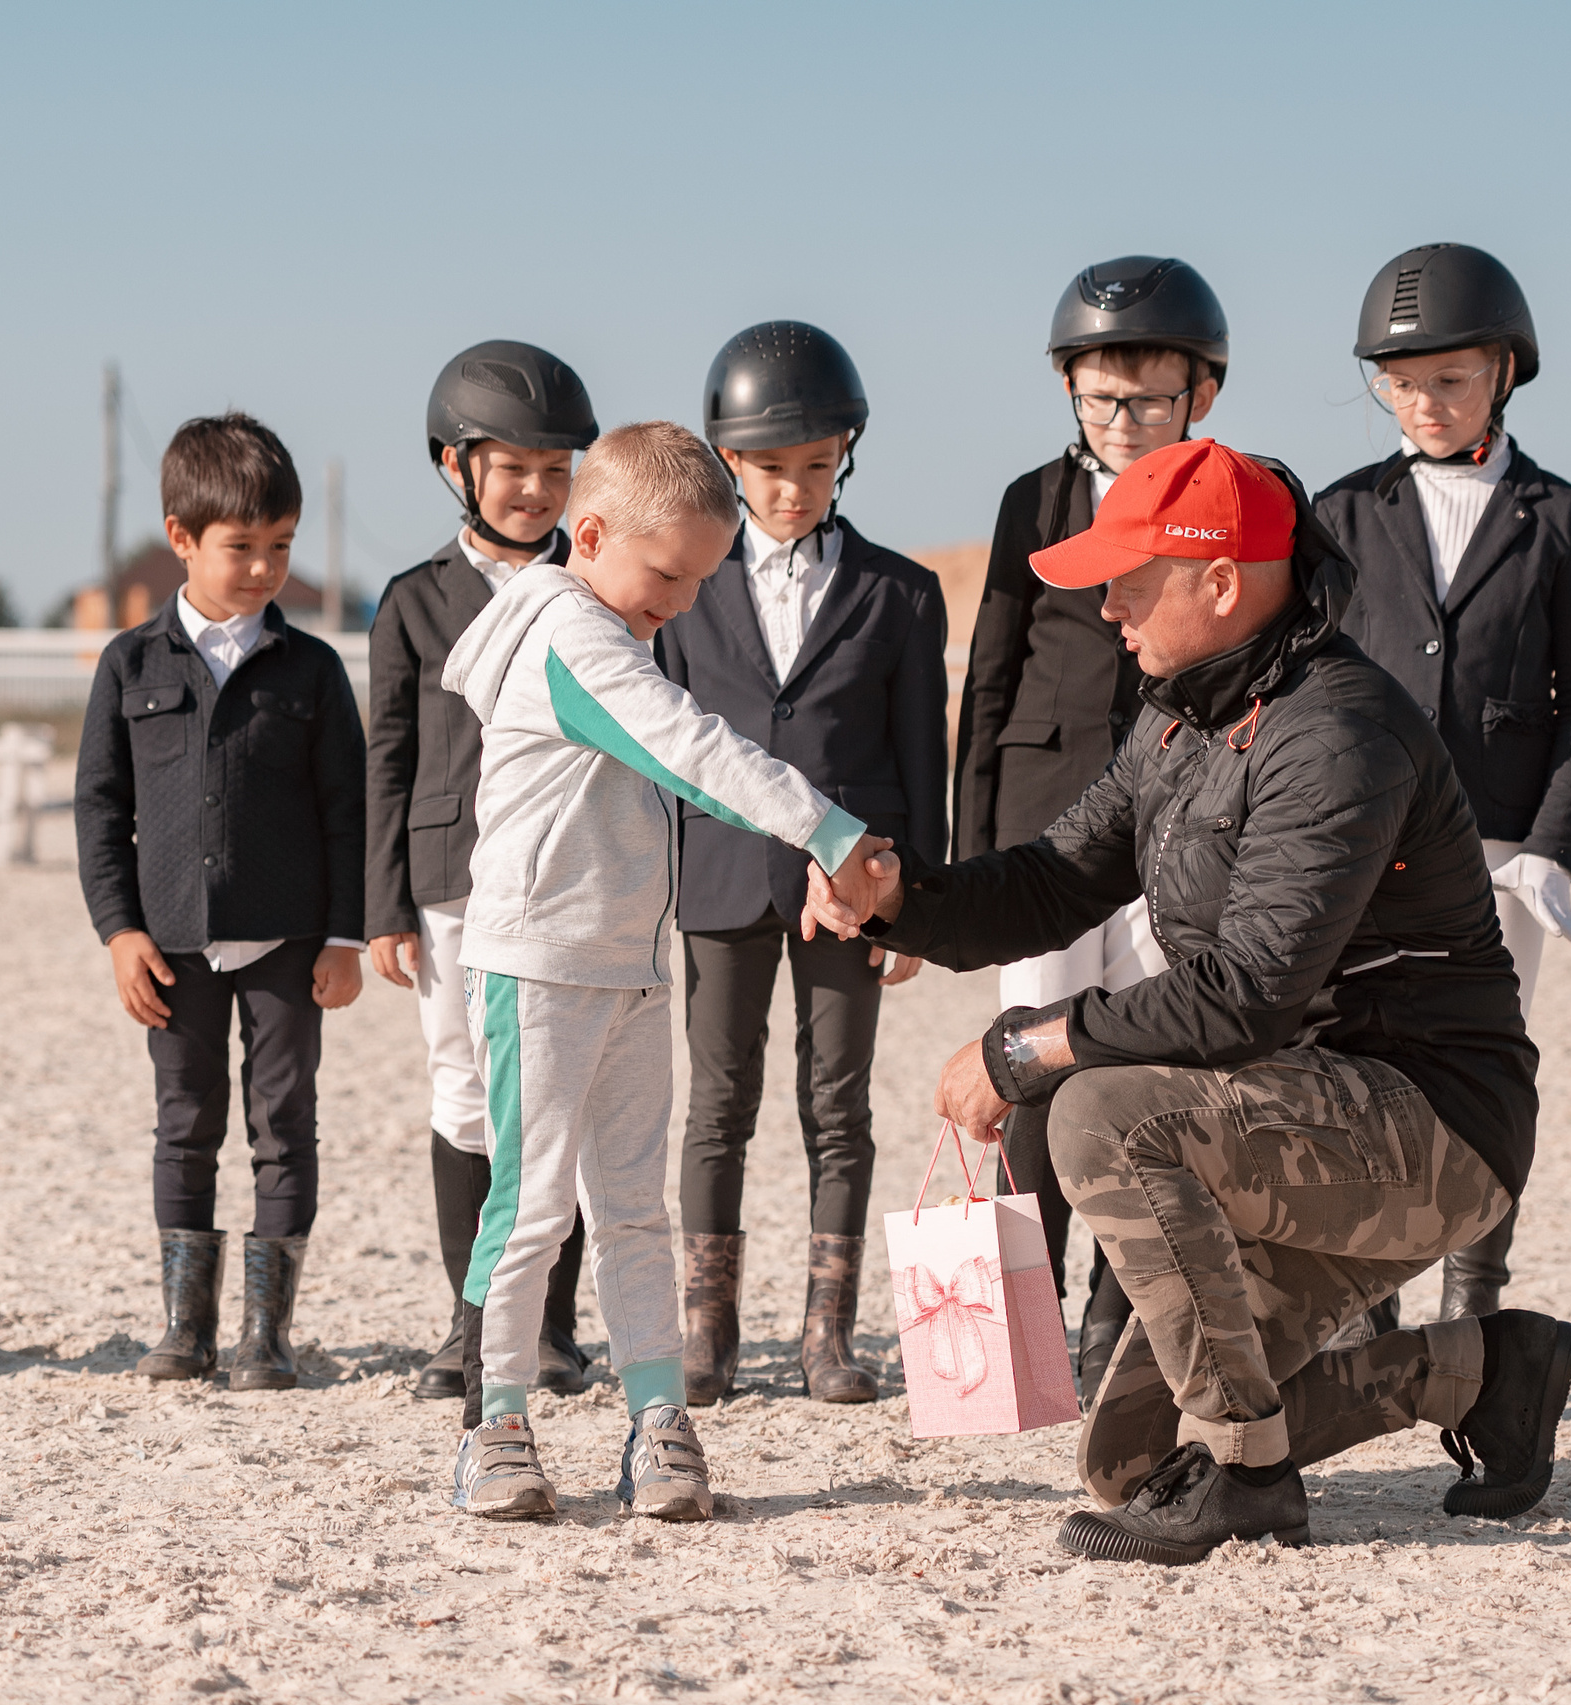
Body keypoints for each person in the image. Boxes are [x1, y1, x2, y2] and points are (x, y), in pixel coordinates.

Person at [808, 438, 1571, 1564]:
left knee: (1093, 1109)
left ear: (1221, 583)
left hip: (1429, 1127)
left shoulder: (1337, 733)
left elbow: (1245, 998)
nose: (1107, 603)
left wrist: (1025, 1050)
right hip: (1292, 1116)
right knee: (1129, 1460)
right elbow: (1054, 880)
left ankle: (1251, 1480)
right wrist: (895, 899)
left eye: (1130, 576)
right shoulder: (1179, 716)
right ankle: (1484, 1371)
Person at [438, 421, 892, 1520]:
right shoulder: (569, 637)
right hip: (538, 966)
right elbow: (690, 747)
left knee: (634, 1208)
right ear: (587, 535)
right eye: (669, 576)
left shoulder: (614, 621)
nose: (684, 604)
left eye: (700, 579)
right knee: (532, 1204)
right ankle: (493, 1419)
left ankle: (656, 1415)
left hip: (632, 965)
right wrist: (830, 831)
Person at [1317, 243, 1571, 1327]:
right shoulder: (1340, 513)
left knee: (1484, 1069)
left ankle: (1475, 1297)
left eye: (1448, 380)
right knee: (1358, 1058)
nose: (1423, 404)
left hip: (1496, 841)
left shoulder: (1565, 522)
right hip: (1363, 835)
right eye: (1401, 383)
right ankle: (1364, 1292)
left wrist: (1550, 847)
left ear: (1501, 369)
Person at [951, 255, 1229, 1398]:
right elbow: (990, 676)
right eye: (1099, 399)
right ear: (1069, 389)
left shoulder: (1232, 494)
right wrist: (970, 869)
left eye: (1148, 400)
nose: (1121, 421)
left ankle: (1115, 1325)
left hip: (1178, 820)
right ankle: (1020, 1326)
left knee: (1144, 1066)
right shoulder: (1035, 499)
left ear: (1199, 396)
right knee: (1029, 1068)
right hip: (1047, 828)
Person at [660, 321, 948, 1407]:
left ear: (845, 457)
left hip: (853, 890)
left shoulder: (901, 591)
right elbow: (664, 741)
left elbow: (924, 756)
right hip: (720, 878)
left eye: (815, 468)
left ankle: (828, 1333)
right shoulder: (688, 587)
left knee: (838, 1105)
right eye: (770, 471)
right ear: (730, 463)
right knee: (717, 1106)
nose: (793, 491)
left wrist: (913, 901)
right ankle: (709, 1333)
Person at [74, 412, 366, 1392]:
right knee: (184, 1119)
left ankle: (266, 1336)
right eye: (240, 547)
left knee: (285, 1122)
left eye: (279, 547)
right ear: (181, 537)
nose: (262, 568)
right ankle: (184, 1327)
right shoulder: (129, 666)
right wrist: (119, 932)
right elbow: (99, 809)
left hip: (289, 942)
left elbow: (345, 810)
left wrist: (342, 936)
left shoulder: (316, 670)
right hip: (171, 945)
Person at [368, 341, 599, 1404]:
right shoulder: (412, 601)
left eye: (556, 471)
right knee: (464, 1090)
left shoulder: (590, 588)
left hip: (564, 877)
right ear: (454, 467)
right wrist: (383, 904)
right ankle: (470, 1324)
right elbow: (389, 757)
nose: (536, 490)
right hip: (449, 878)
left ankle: (551, 1327)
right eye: (513, 468)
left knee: (557, 1098)